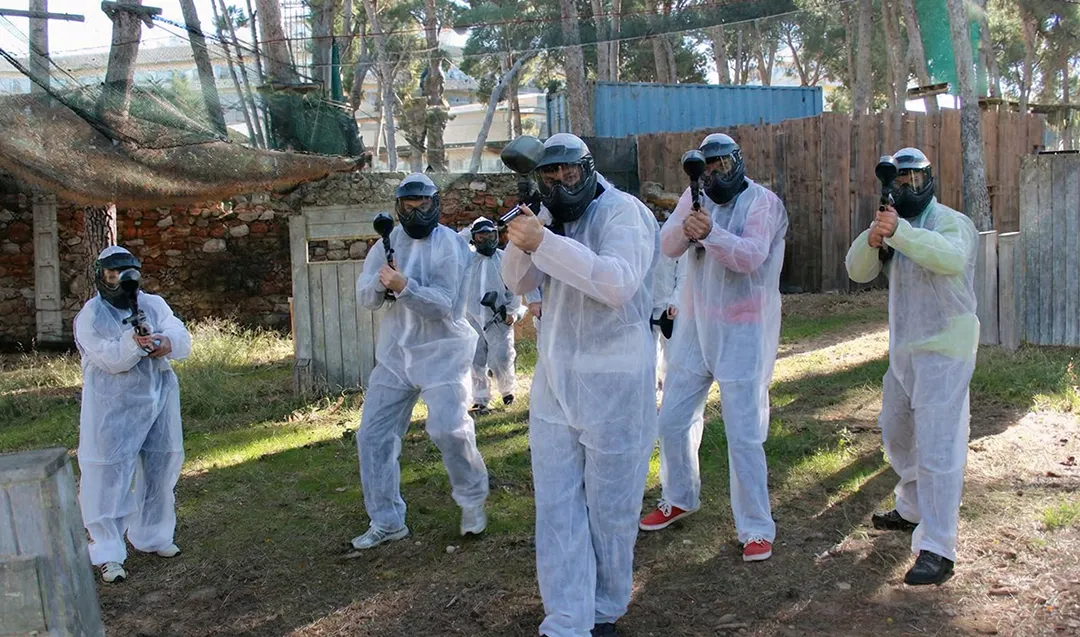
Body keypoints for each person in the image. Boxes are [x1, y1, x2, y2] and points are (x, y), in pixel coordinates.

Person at [501, 133, 658, 637]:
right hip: (556, 380)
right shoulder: (547, 215)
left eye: (569, 173)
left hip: (616, 381)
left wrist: (545, 241)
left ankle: (605, 608)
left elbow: (615, 284)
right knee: (557, 503)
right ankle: (567, 618)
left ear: (588, 168)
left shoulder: (623, 213)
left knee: (611, 509)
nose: (562, 183)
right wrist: (528, 233)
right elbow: (517, 283)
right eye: (550, 176)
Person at [640, 133, 788, 564]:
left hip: (745, 330)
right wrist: (688, 229)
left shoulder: (764, 203)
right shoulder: (695, 196)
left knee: (744, 433)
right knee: (671, 420)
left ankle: (757, 527)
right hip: (693, 325)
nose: (715, 173)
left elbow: (750, 258)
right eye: (707, 167)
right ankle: (680, 495)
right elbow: (666, 246)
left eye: (722, 164)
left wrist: (712, 233)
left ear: (738, 162)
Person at [845, 147, 978, 586]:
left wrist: (898, 233)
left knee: (940, 448)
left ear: (927, 180)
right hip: (904, 352)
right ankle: (912, 508)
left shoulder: (951, 222)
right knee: (896, 430)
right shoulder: (891, 226)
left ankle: (938, 549)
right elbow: (857, 271)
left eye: (912, 180)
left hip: (946, 350)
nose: (904, 189)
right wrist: (874, 239)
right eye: (896, 182)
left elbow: (949, 258)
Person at [352, 173, 490, 549]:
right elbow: (365, 296)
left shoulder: (450, 245)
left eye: (422, 205)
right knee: (373, 436)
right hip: (396, 354)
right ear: (398, 209)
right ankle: (386, 520)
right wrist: (381, 284)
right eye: (407, 207)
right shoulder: (388, 242)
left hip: (443, 352)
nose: (415, 214)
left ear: (435, 204)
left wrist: (404, 286)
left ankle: (473, 500)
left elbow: (443, 304)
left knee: (449, 429)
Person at [74, 246, 191, 583]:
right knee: (108, 473)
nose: (123, 281)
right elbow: (111, 359)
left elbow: (181, 336)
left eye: (129, 274)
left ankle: (153, 535)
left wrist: (164, 342)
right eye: (114, 274)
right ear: (101, 276)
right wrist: (134, 343)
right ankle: (108, 551)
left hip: (158, 399)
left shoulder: (152, 304)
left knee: (161, 463)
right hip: (113, 408)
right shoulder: (90, 317)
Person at [462, 217, 526, 413]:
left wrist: (512, 312)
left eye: (491, 235)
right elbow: (455, 243)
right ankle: (480, 398)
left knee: (501, 357)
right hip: (471, 316)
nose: (487, 240)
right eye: (481, 236)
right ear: (474, 238)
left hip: (498, 317)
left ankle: (507, 392)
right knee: (475, 358)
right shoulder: (467, 259)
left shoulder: (504, 259)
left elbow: (515, 288)